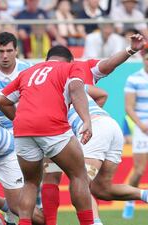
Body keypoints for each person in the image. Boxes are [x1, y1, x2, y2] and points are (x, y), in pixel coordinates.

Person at [41, 34, 147, 225]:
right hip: (110, 126)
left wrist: (87, 123)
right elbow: (103, 91)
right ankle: (144, 194)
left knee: (81, 184)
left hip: (97, 129)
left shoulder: (46, 82)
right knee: (101, 189)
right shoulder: (76, 79)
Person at [0, 45, 94, 225]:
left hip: (23, 130)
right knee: (79, 175)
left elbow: (1, 100)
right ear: (70, 60)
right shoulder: (71, 67)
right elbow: (76, 89)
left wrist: (20, 120)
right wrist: (86, 120)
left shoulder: (28, 72)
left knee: (30, 183)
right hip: (52, 126)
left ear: (47, 59)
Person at [123, 47, 148, 219]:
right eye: (147, 58)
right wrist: (141, 125)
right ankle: (129, 201)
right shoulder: (134, 79)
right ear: (142, 59)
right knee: (139, 170)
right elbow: (129, 107)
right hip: (143, 129)